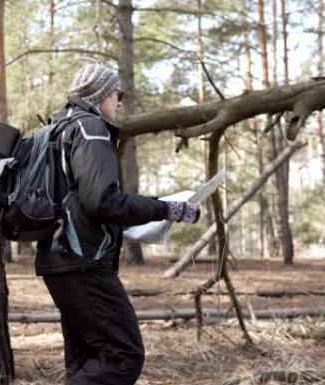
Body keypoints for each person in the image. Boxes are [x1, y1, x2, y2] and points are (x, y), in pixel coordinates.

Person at [36, 62, 201, 384]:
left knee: (87, 358)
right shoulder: (90, 128)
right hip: (83, 262)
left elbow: (80, 203)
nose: (120, 101)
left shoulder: (59, 128)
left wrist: (151, 214)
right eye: (117, 93)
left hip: (59, 260)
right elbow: (102, 202)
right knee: (123, 356)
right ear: (101, 94)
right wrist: (165, 209)